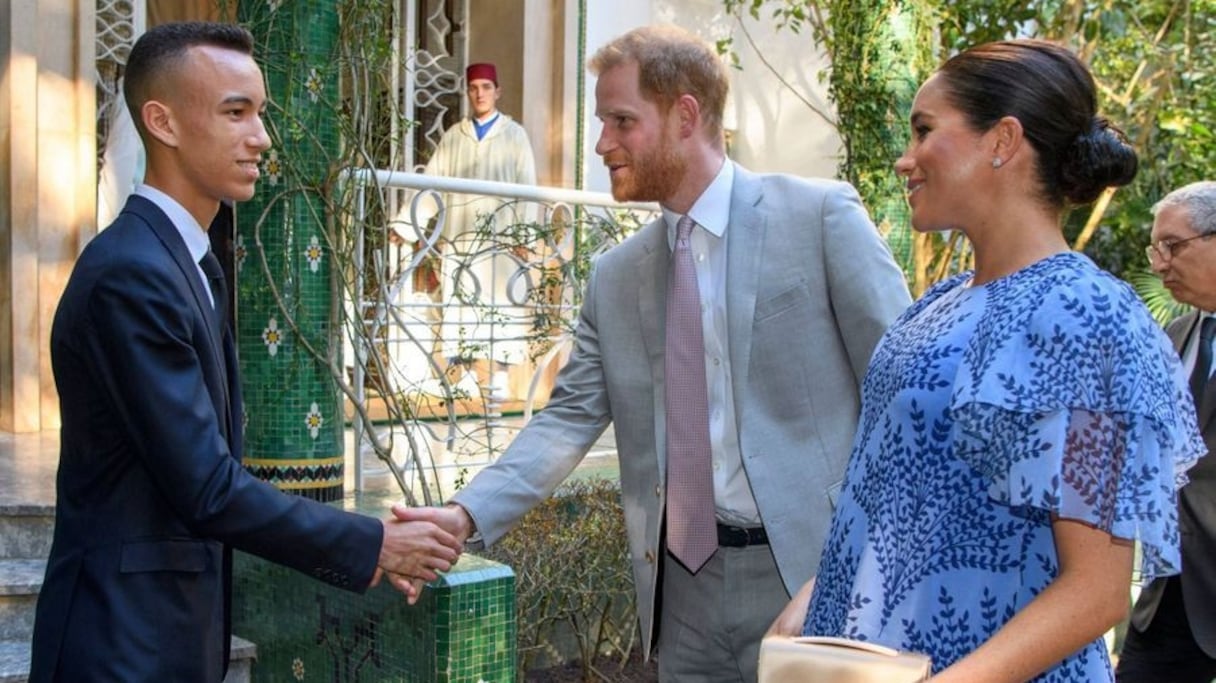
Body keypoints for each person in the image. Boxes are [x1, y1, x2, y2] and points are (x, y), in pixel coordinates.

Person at [395, 24, 912, 683]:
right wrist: (462, 514)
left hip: (815, 582)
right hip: (682, 600)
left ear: (684, 115)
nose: (601, 142)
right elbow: (565, 420)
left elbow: (906, 404)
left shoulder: (818, 218)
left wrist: (854, 560)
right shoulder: (616, 277)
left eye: (620, 120)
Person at [29, 22, 461, 682]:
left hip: (170, 636)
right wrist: (374, 543)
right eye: (236, 112)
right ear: (162, 122)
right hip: (119, 644)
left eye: (259, 112)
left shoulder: (191, 259)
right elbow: (207, 486)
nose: (261, 136)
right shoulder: (132, 274)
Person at [767, 39, 1206, 682]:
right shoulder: (938, 303)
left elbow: (1096, 589)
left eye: (924, 131)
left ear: (1001, 140)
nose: (905, 159)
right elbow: (906, 497)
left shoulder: (1090, 317)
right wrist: (821, 588)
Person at [1117, 181, 1216, 683]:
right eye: (1156, 249)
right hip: (1170, 596)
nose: (1159, 264)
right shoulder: (1175, 337)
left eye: (1173, 246)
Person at [398, 62, 539, 394]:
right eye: (474, 88)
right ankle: (469, 376)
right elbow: (432, 184)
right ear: (467, 93)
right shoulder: (453, 137)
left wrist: (524, 236)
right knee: (463, 304)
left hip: (501, 240)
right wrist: (407, 224)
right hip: (462, 238)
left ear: (497, 92)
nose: (480, 94)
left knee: (501, 304)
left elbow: (528, 186)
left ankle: (499, 376)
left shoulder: (515, 135)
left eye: (486, 87)